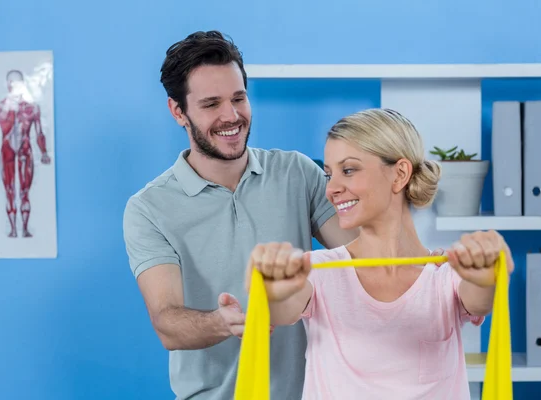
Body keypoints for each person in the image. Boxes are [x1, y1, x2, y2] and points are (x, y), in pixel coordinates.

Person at [122, 30, 363, 400]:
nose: (231, 116)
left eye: (238, 98)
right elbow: (167, 322)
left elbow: (361, 260)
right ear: (178, 111)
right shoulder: (149, 208)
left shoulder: (297, 173)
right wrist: (221, 322)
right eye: (211, 104)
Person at [245, 108, 515, 400]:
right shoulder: (320, 271)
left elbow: (480, 299)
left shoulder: (445, 275)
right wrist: (272, 287)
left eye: (348, 170)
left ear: (399, 174)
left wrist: (487, 275)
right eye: (329, 174)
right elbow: (283, 306)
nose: (331, 189)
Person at [0, 69, 51, 238]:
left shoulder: (32, 108)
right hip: (7, 150)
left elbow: (39, 132)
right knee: (9, 191)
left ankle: (25, 229)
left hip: (25, 149)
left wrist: (44, 152)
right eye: (12, 83)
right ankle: (13, 229)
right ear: (8, 85)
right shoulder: (0, 107)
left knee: (24, 192)